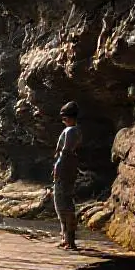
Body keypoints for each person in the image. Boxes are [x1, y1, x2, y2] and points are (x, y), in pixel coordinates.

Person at [52, 101, 82, 250]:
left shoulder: (71, 131)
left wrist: (57, 167)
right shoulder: (75, 130)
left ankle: (70, 240)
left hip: (65, 169)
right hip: (68, 169)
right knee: (62, 203)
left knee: (64, 204)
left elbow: (65, 152)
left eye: (64, 118)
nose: (63, 121)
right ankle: (66, 238)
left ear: (69, 118)